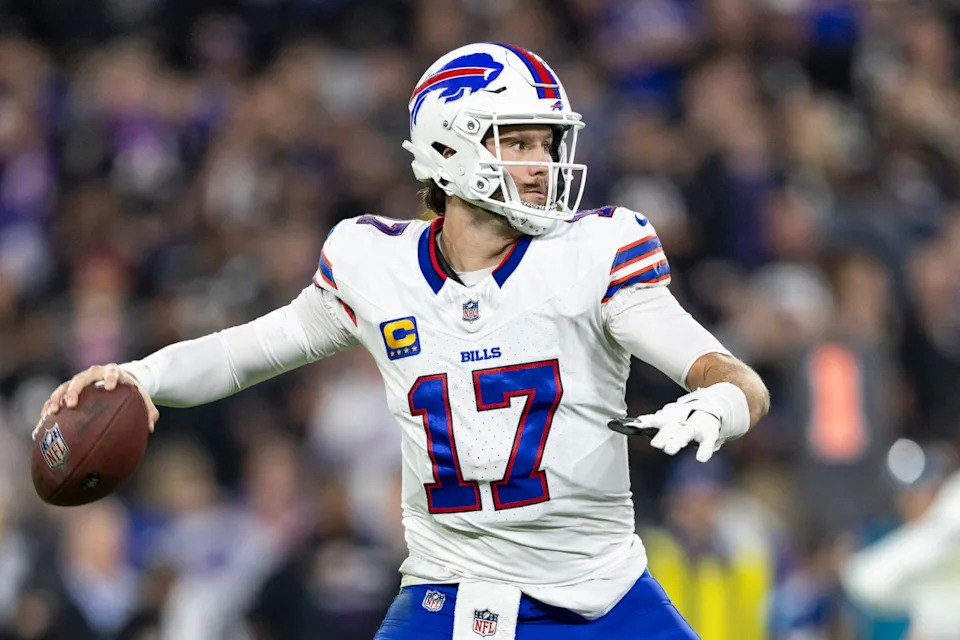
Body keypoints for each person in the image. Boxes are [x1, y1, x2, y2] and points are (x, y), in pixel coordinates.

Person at [36, 43, 769, 639]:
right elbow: (242, 352)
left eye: (545, 143)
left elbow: (734, 378)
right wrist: (137, 376)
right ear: (449, 150)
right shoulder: (374, 265)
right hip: (449, 597)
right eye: (516, 142)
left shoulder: (595, 251)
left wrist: (716, 407)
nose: (541, 165)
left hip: (597, 595)